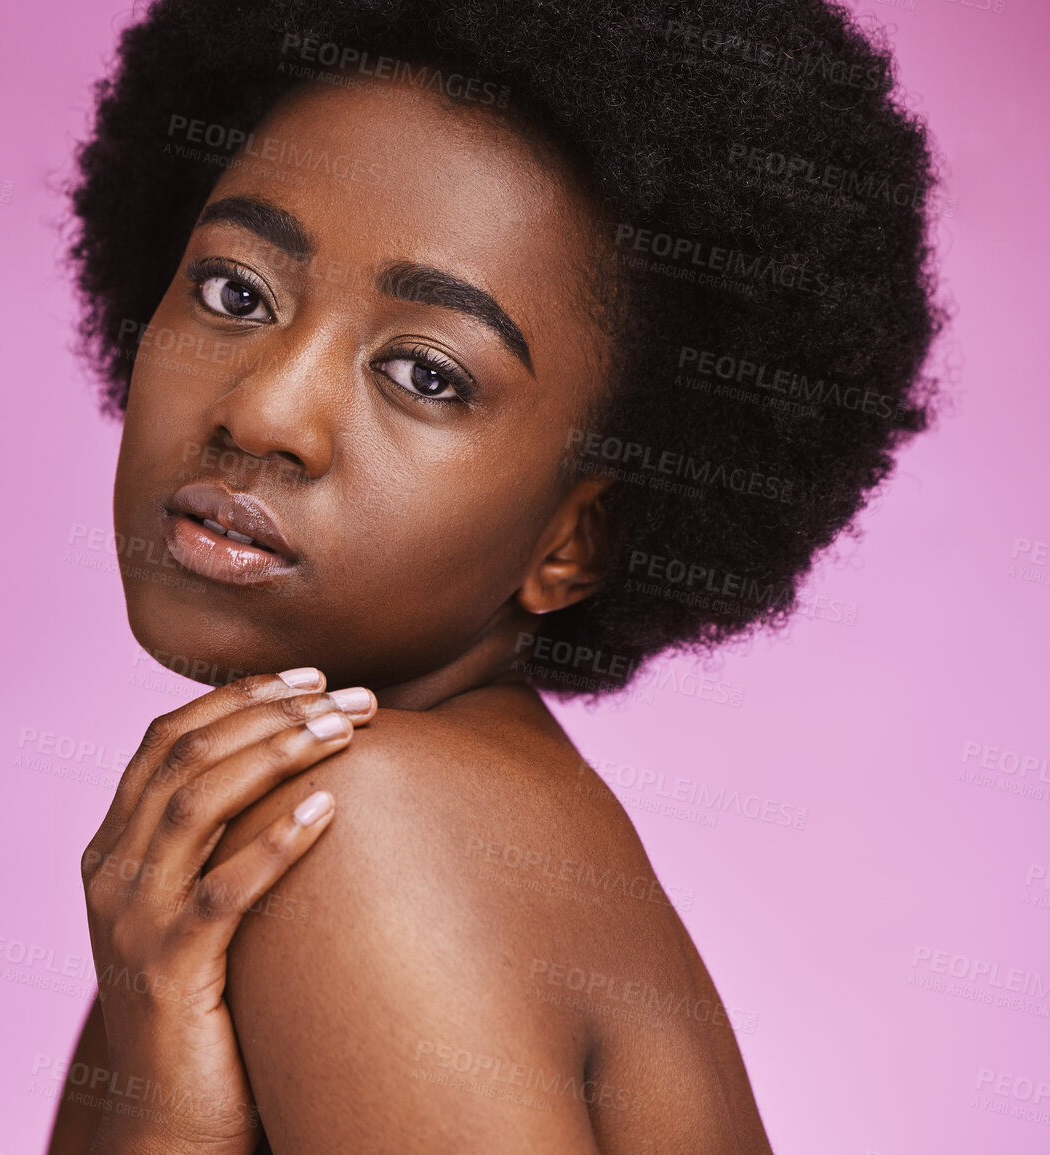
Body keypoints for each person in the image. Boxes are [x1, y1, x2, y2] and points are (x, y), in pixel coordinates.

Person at [49, 1, 940, 1150]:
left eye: (424, 373)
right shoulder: (272, 857)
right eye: (236, 293)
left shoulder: (365, 830)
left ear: (577, 540)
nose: (266, 411)